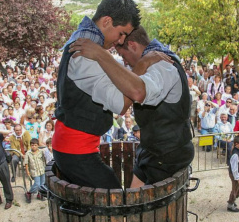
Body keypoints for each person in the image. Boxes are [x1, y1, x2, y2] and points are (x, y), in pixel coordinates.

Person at [71, 26, 194, 186]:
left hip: (168, 155)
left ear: (133, 45)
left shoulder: (163, 65)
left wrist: (101, 55)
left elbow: (137, 92)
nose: (124, 61)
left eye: (123, 55)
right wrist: (142, 63)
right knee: (133, 201)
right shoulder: (150, 60)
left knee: (146, 209)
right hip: (151, 151)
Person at [52, 0, 141, 189]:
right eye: (122, 33)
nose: (121, 41)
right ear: (107, 21)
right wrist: (140, 70)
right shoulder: (86, 54)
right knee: (113, 200)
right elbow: (121, 103)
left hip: (77, 146)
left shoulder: (88, 43)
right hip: (74, 149)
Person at [227, 135, 239, 212]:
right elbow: (234, 168)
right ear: (236, 144)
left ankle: (233, 199)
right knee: (235, 189)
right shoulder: (235, 154)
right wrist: (238, 179)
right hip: (235, 175)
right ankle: (230, 205)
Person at [24, 138, 46, 203]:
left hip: (41, 170)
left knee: (42, 183)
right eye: (32, 145)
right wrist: (27, 171)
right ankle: (29, 192)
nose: (34, 146)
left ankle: (39, 194)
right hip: (34, 171)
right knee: (37, 184)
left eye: (35, 145)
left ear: (38, 145)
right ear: (30, 145)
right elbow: (26, 163)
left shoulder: (41, 152)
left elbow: (43, 159)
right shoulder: (28, 153)